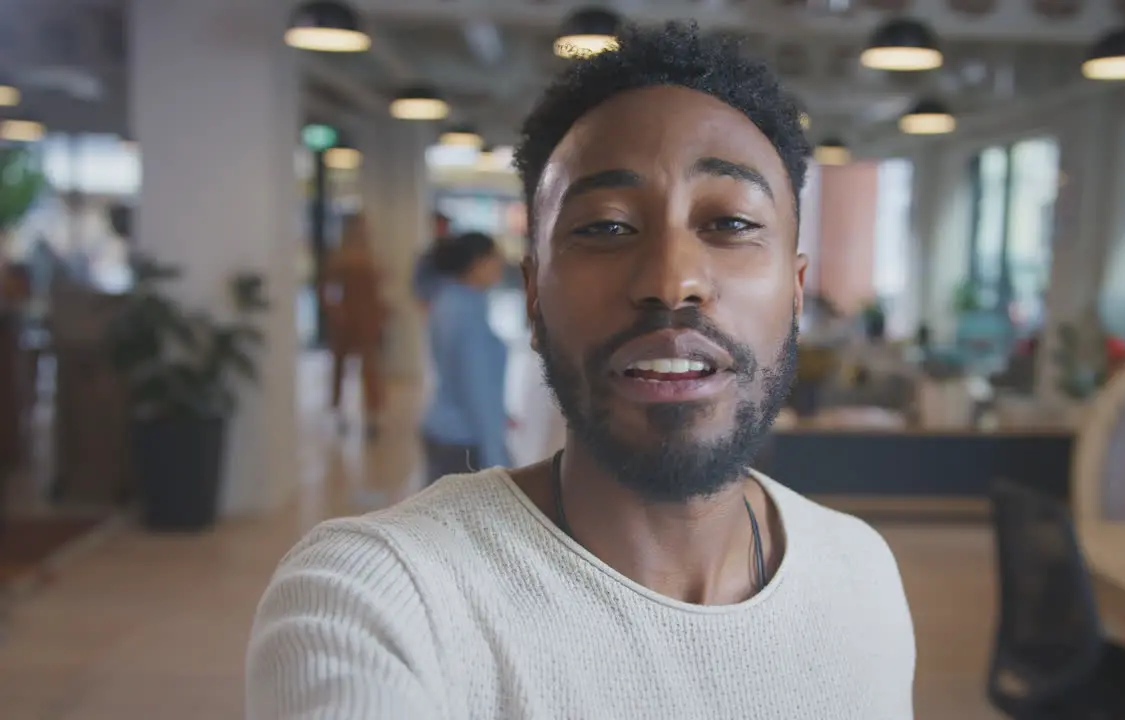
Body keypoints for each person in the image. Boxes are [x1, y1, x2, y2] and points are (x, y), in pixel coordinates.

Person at [247, 23, 915, 719]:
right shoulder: (383, 599)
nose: (671, 280)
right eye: (606, 226)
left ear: (797, 289)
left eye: (731, 223)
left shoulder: (860, 572)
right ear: (534, 293)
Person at [418, 231, 510, 483]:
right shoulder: (466, 313)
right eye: (494, 257)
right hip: (463, 440)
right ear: (476, 262)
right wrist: (496, 458)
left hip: (444, 429)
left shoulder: (447, 299)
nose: (500, 264)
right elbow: (475, 386)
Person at [320, 212, 387, 438]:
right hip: (346, 320)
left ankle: (373, 416)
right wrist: (336, 313)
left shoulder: (371, 254)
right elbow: (326, 290)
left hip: (368, 320)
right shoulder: (339, 256)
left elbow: (378, 288)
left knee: (371, 370)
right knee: (341, 368)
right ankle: (339, 412)